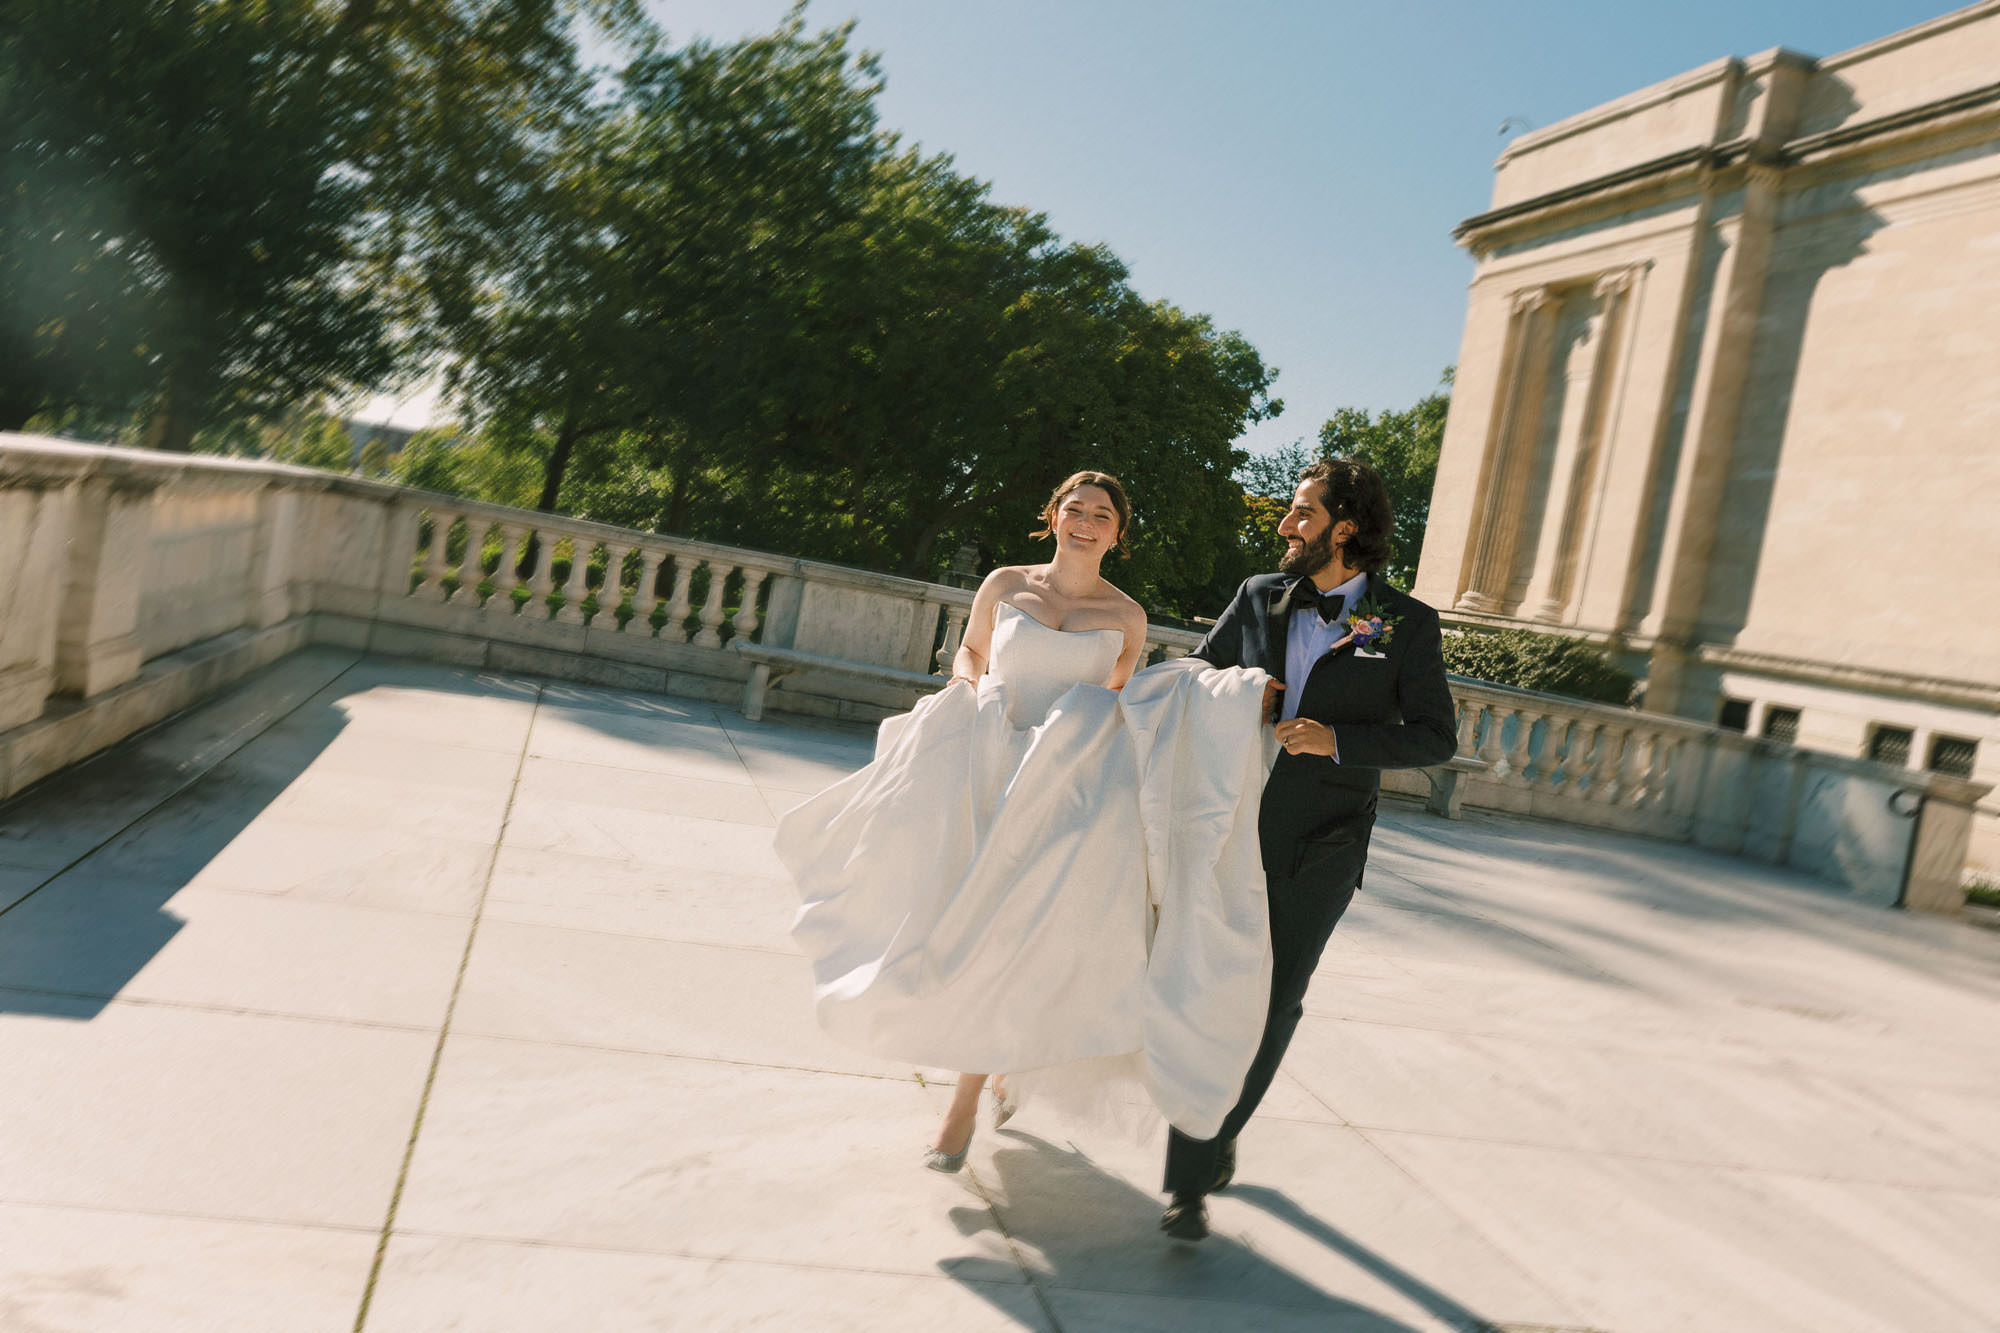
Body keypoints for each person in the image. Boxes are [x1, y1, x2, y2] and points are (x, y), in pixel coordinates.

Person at [776, 470, 1277, 1175]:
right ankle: (996, 1059)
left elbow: (1124, 703)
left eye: (1101, 514)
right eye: (1074, 508)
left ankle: (961, 1107)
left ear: (1117, 532)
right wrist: (961, 689)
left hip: (1066, 796)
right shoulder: (1006, 584)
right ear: (1052, 515)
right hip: (985, 767)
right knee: (962, 927)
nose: (1085, 521)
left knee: (1012, 934)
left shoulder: (1127, 616)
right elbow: (972, 651)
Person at [1157, 457, 1456, 1241]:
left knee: (1275, 999)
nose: (1286, 525)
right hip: (1226, 826)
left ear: (1344, 527)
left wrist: (1338, 740)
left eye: (1301, 512)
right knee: (1207, 987)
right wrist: (1231, 692)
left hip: (1319, 847)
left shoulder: (1407, 624)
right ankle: (1188, 1175)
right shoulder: (1259, 595)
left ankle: (1209, 1143)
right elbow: (1195, 671)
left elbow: (1434, 737)